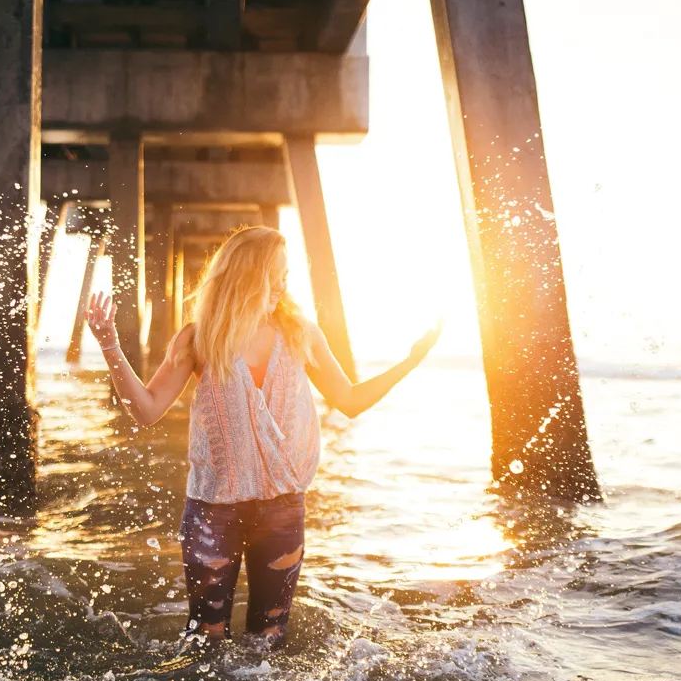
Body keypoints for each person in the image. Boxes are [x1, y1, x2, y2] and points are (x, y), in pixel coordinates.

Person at [85, 226, 440, 650]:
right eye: (274, 274)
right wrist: (109, 344)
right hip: (213, 510)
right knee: (205, 639)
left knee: (268, 641)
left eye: (286, 276)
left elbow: (350, 399)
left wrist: (410, 362)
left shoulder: (300, 334)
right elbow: (145, 410)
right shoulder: (200, 338)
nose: (282, 286)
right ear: (245, 276)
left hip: (282, 509)